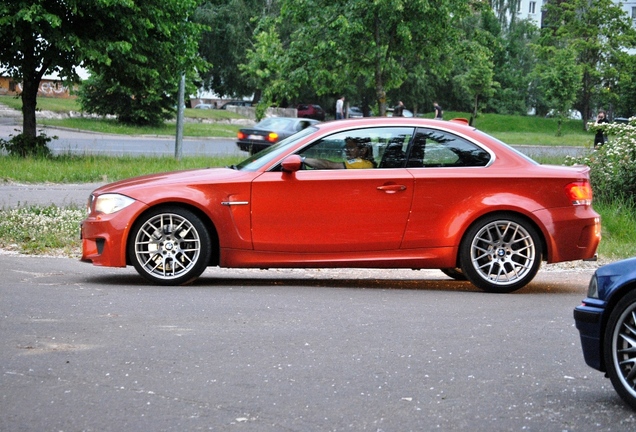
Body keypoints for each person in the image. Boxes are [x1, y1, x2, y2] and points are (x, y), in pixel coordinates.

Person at [303, 137, 376, 169]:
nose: (346, 150)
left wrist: (302, 159)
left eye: (350, 147)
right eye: (346, 147)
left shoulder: (360, 163)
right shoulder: (367, 163)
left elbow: (330, 165)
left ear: (363, 150)